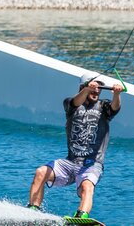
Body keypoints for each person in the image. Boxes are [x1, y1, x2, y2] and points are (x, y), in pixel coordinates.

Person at [26, 73, 123, 220]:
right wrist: (86, 90)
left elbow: (115, 107)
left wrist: (116, 94)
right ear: (83, 87)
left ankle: (81, 217)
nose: (97, 91)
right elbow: (75, 102)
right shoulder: (70, 104)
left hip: (92, 164)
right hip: (70, 162)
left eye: (99, 89)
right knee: (40, 172)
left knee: (87, 187)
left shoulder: (104, 107)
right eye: (94, 88)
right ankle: (33, 211)